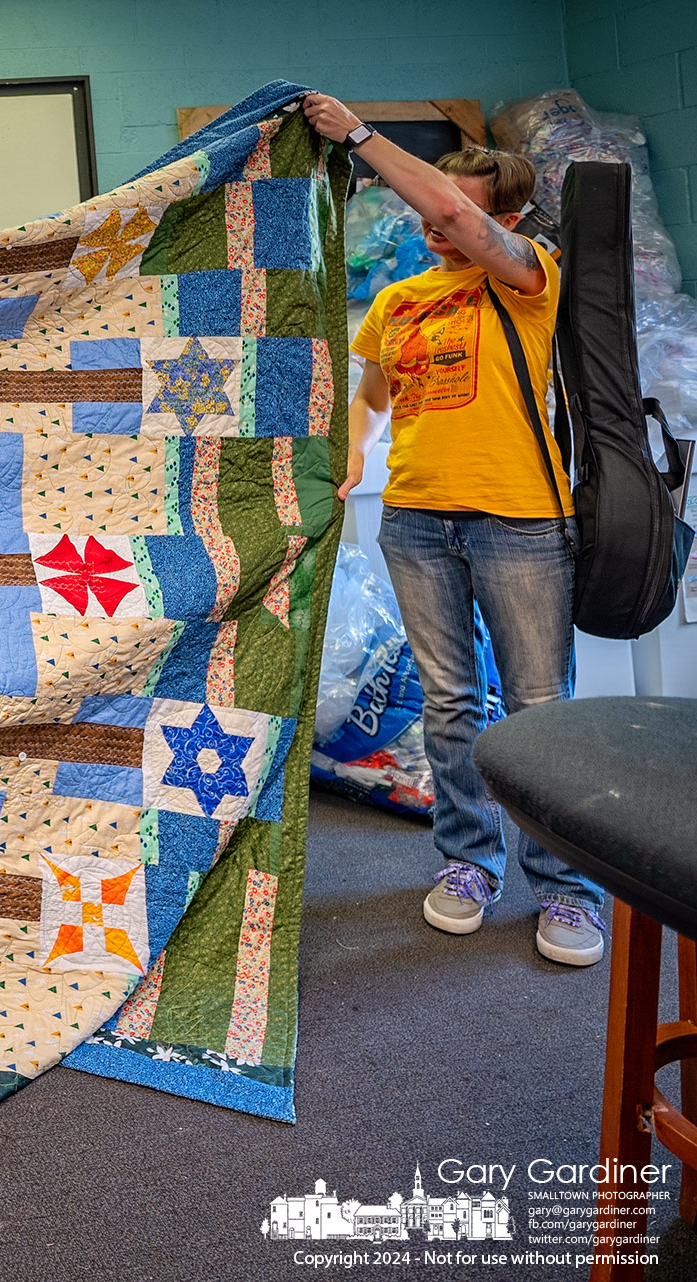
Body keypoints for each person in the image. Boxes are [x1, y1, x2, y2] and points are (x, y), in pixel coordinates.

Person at [302, 94, 607, 967]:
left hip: (522, 521)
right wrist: (353, 453)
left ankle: (566, 887)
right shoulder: (398, 300)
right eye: (442, 205)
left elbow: (445, 211)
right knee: (450, 704)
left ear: (503, 220)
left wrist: (358, 137)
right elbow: (370, 397)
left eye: (462, 208)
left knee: (541, 709)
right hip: (417, 522)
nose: (438, 222)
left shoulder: (531, 275)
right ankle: (470, 865)